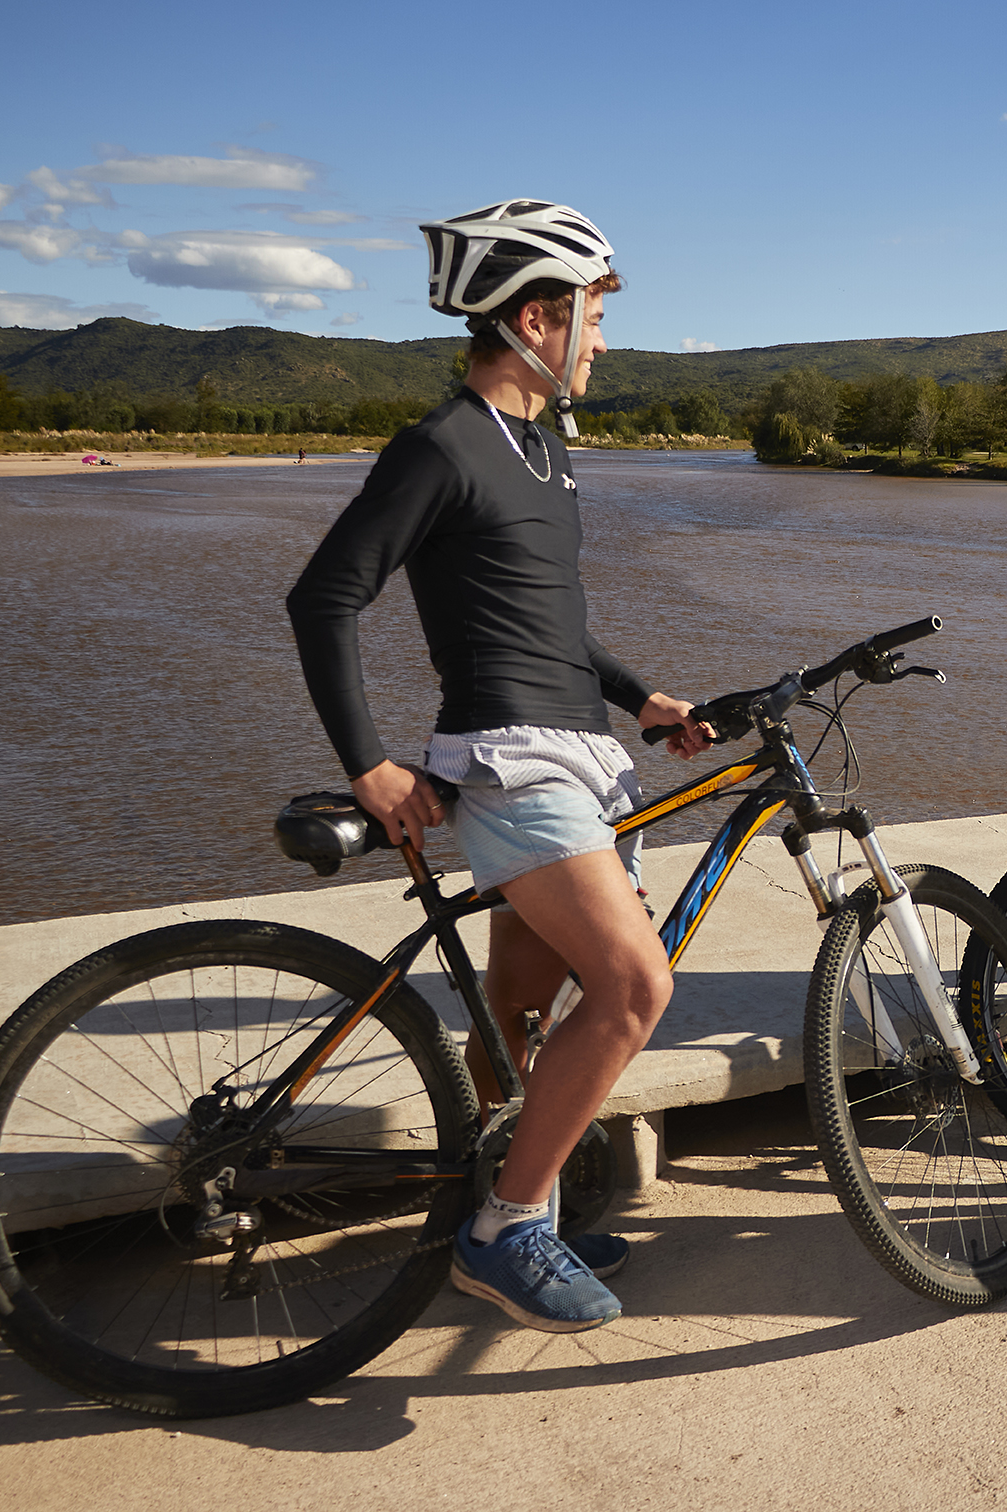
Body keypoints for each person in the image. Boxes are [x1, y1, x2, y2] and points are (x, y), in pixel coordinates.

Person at [286, 198, 712, 1333]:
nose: (603, 342)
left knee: (521, 1004)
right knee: (634, 986)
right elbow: (323, 598)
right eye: (592, 319)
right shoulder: (444, 446)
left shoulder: (541, 448)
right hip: (513, 762)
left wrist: (642, 699)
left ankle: (509, 1196)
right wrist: (371, 765)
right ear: (536, 320)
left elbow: (546, 619)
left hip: (578, 747)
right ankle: (507, 1230)